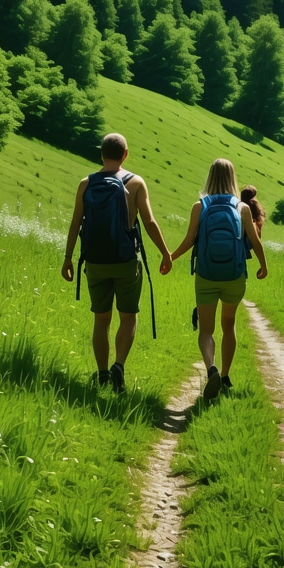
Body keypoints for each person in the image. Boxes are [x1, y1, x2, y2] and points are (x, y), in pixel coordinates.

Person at [61, 133, 172, 393]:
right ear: (125, 154)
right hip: (125, 261)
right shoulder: (135, 183)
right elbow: (149, 222)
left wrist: (68, 258)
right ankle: (118, 366)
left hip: (95, 262)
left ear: (101, 154)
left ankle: (101, 374)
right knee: (128, 317)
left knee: (101, 320)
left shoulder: (86, 184)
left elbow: (75, 223)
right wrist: (166, 253)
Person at [169, 158, 267, 398]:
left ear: (210, 176)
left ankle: (210, 367)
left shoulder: (199, 206)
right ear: (232, 178)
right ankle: (224, 376)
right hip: (234, 275)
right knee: (229, 324)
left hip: (207, 274)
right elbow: (255, 242)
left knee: (206, 329)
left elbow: (189, 240)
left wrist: (170, 257)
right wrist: (264, 266)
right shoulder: (242, 208)